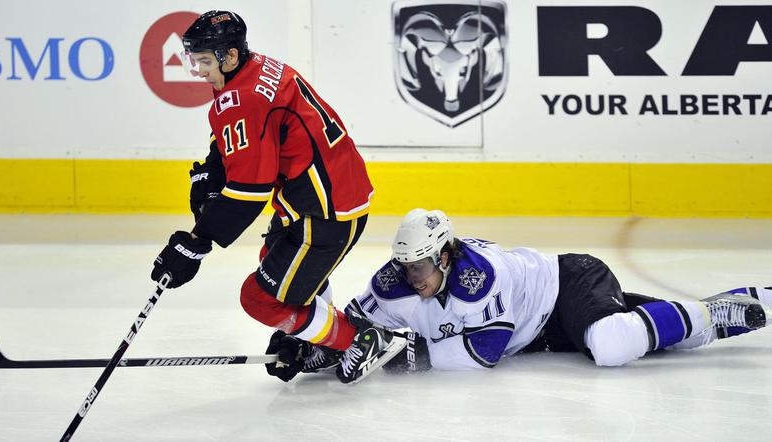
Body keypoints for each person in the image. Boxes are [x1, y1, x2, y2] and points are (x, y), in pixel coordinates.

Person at [149, 10, 402, 384]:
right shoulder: (256, 68)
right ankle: (321, 335)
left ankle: (357, 340)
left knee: (260, 298)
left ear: (230, 56)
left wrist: (196, 243)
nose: (199, 71)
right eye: (195, 61)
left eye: (204, 61)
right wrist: (214, 164)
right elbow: (244, 133)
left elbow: (249, 192)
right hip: (319, 198)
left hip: (326, 215)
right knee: (272, 259)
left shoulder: (243, 98)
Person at [265, 208, 771, 380]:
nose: (410, 276)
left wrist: (396, 356)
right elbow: (354, 328)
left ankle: (707, 309)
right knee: (641, 338)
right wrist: (312, 348)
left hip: (564, 287)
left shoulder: (480, 276)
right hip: (538, 335)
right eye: (404, 265)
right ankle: (728, 313)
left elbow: (484, 353)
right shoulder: (394, 282)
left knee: (614, 345)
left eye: (419, 265)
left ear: (444, 255)